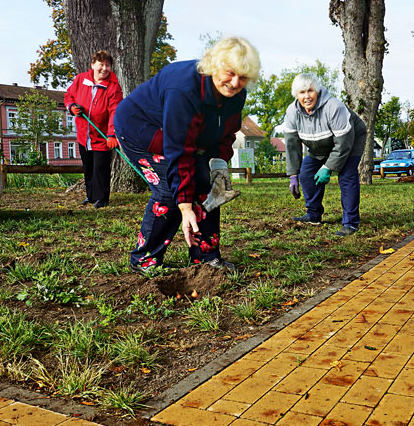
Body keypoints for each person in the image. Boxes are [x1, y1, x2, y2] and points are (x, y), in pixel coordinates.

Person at [113, 37, 260, 275]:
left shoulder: (236, 95)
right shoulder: (183, 88)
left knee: (206, 183)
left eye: (242, 78)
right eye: (230, 73)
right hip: (141, 129)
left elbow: (226, 133)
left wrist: (219, 170)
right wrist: (185, 206)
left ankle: (206, 257)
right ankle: (144, 259)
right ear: (214, 65)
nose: (234, 83)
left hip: (181, 137)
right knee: (170, 190)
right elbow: (178, 149)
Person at [281, 73, 367, 236]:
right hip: (319, 145)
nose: (307, 96)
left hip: (351, 140)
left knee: (347, 176)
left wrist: (328, 167)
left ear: (317, 91)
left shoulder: (334, 107)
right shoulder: (292, 112)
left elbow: (343, 144)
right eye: (302, 92)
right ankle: (313, 214)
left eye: (310, 91)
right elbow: (292, 145)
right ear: (296, 95)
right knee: (306, 174)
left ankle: (350, 223)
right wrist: (293, 175)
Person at [65, 50, 123, 208]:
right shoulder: (81, 79)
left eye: (108, 65)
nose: (104, 68)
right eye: (101, 64)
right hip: (84, 135)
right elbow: (69, 96)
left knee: (101, 168)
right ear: (93, 64)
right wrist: (71, 108)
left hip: (102, 136)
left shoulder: (113, 87)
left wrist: (112, 134)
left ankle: (102, 198)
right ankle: (90, 196)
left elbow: (115, 112)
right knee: (88, 166)